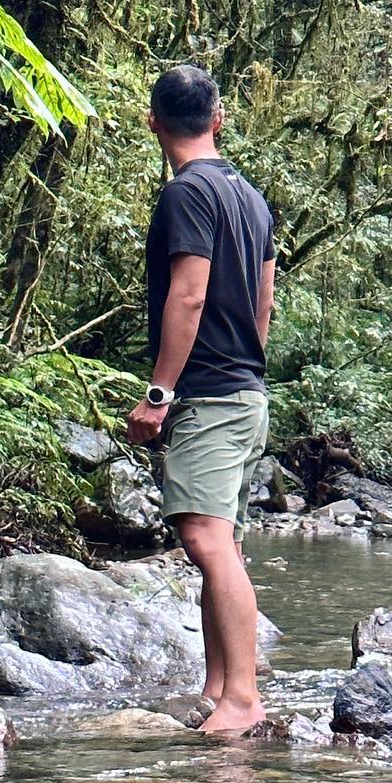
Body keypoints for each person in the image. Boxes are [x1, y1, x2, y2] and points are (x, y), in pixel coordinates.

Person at [126, 64, 276, 736]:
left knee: (206, 539)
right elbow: (264, 300)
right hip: (246, 389)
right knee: (225, 541)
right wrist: (248, 365)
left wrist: (160, 392)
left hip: (210, 394)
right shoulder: (250, 195)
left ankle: (242, 697)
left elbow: (188, 294)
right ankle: (218, 685)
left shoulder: (188, 193)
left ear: (153, 121)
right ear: (218, 118)